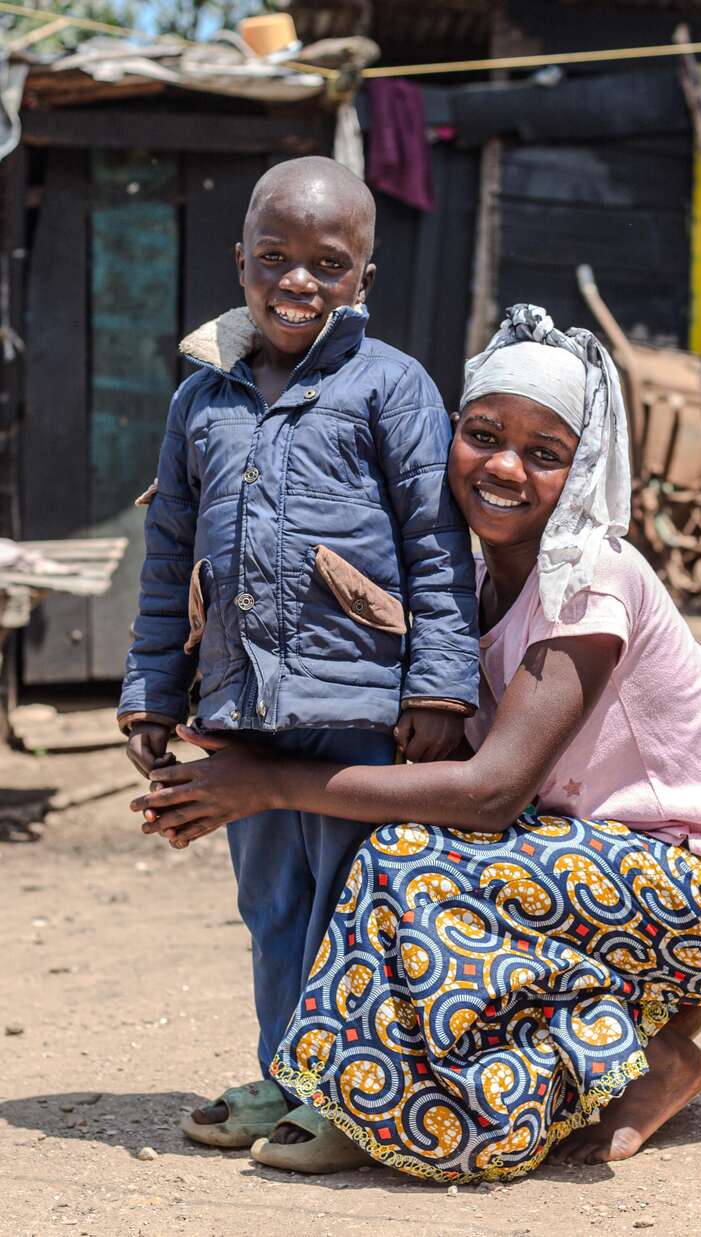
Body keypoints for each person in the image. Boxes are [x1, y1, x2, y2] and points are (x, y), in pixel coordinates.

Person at [133, 305, 701, 1182]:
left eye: (544, 452)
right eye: (483, 433)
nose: (503, 466)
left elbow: (492, 790)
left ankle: (383, 1104)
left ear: (583, 467)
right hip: (613, 869)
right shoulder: (464, 578)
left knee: (412, 860)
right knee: (416, 850)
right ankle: (648, 1056)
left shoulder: (589, 579)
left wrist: (268, 783)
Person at [118, 157, 480, 1149]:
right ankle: (287, 1078)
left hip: (360, 705)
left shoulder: (391, 387)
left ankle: (353, 1099)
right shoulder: (201, 400)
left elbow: (436, 547)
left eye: (328, 262)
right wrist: (153, 687)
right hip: (242, 702)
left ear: (364, 276)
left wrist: (441, 688)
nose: (298, 282)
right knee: (271, 905)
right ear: (240, 263)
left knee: (356, 905)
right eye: (274, 257)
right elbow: (166, 562)